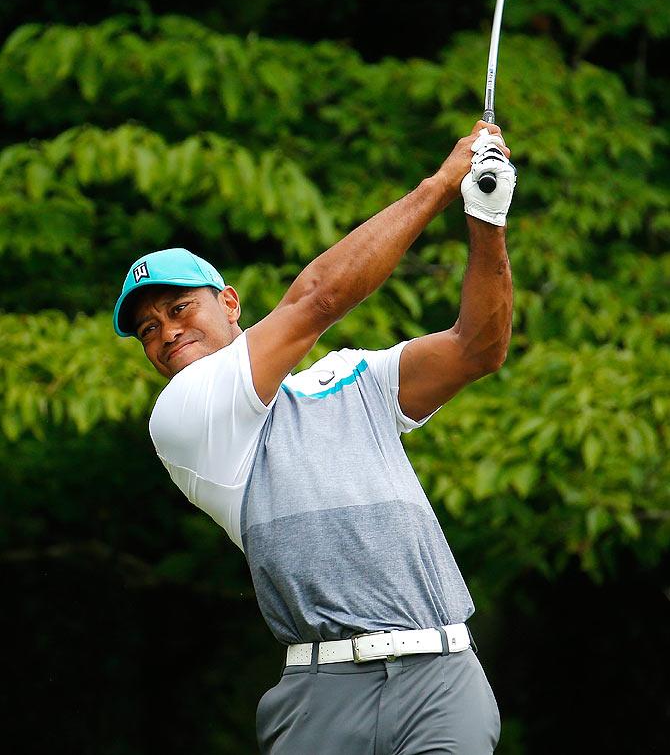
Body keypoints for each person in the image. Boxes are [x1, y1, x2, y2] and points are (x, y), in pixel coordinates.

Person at [113, 120, 516, 754]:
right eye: (146, 330)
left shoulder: (351, 376)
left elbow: (478, 348)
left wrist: (486, 219)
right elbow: (321, 297)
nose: (163, 333)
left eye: (178, 308)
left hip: (441, 674)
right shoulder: (184, 416)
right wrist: (442, 184)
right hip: (320, 689)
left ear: (230, 303)